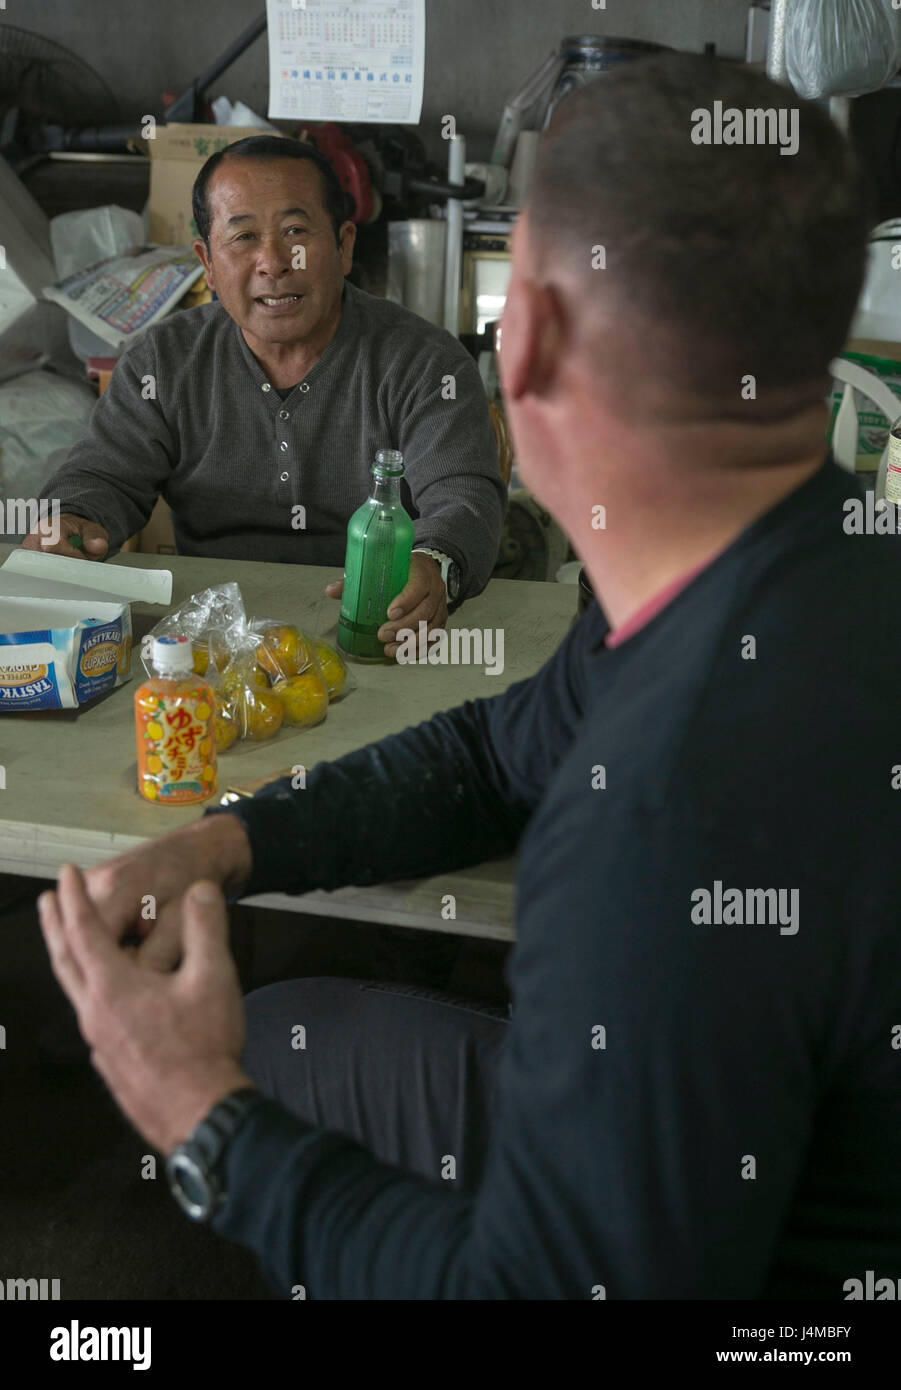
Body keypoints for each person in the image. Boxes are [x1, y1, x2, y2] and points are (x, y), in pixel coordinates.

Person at [38, 55, 901, 1298]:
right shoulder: (757, 566)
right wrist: (226, 846)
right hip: (725, 1132)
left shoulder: (674, 806)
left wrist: (197, 1114)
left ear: (531, 340)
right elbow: (498, 748)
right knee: (284, 1037)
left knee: (239, 1076)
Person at [26, 136, 506, 655]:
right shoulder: (165, 360)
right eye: (244, 236)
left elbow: (464, 497)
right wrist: (72, 518)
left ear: (344, 245)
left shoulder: (424, 361)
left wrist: (434, 565)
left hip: (376, 630)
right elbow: (102, 474)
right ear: (207, 262)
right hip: (209, 636)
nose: (274, 262)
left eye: (296, 232)